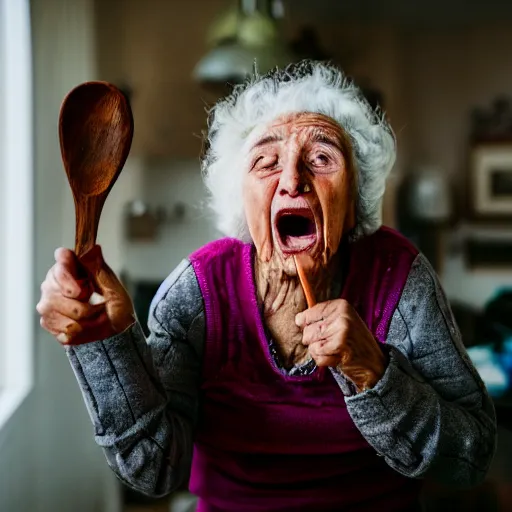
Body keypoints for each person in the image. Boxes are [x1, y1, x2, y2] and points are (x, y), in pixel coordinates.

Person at [37, 61, 496, 512]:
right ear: (243, 203)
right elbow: (156, 468)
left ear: (354, 203)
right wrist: (106, 345)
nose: (293, 180)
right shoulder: (196, 295)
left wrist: (374, 372)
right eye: (266, 162)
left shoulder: (400, 279)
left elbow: (471, 458)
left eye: (321, 158)